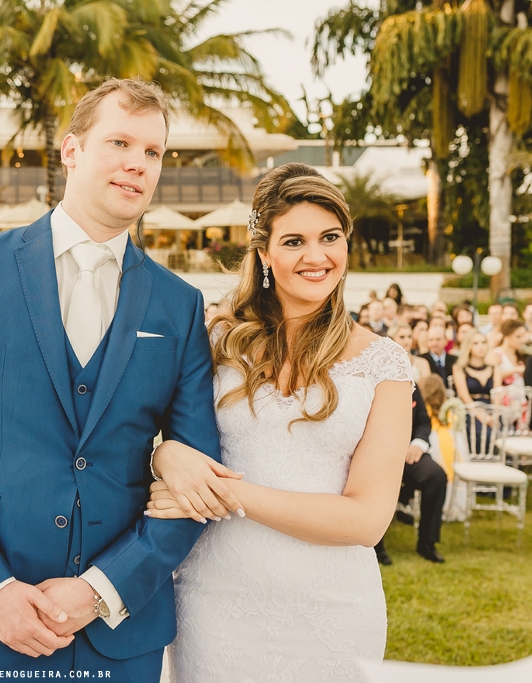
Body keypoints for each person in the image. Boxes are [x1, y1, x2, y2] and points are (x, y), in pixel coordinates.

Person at [0, 79, 225, 679]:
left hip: (121, 629)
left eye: (153, 152)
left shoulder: (178, 304)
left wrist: (101, 589)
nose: (137, 163)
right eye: (120, 142)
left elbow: (195, 479)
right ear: (71, 150)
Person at [148, 163, 412, 682]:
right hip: (214, 603)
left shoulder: (385, 363)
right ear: (264, 254)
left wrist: (221, 495)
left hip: (334, 610)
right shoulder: (214, 343)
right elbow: (149, 434)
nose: (316, 257)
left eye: (330, 237)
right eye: (294, 241)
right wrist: (166, 454)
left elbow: (366, 521)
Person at [373, 323, 449, 566]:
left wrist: (417, 445)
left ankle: (427, 542)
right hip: (379, 455)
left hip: (410, 454)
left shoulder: (411, 384)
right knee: (375, 481)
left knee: (436, 476)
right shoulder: (373, 381)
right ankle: (376, 547)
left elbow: (424, 423)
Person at [486, 319, 527, 386]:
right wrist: (515, 370)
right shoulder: (495, 354)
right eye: (518, 336)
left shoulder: (521, 355)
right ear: (507, 335)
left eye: (523, 336)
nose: (522, 340)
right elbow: (489, 377)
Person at [422, 324, 457, 392]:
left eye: (438, 339)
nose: (434, 343)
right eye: (431, 340)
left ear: (445, 341)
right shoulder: (422, 359)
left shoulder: (455, 360)